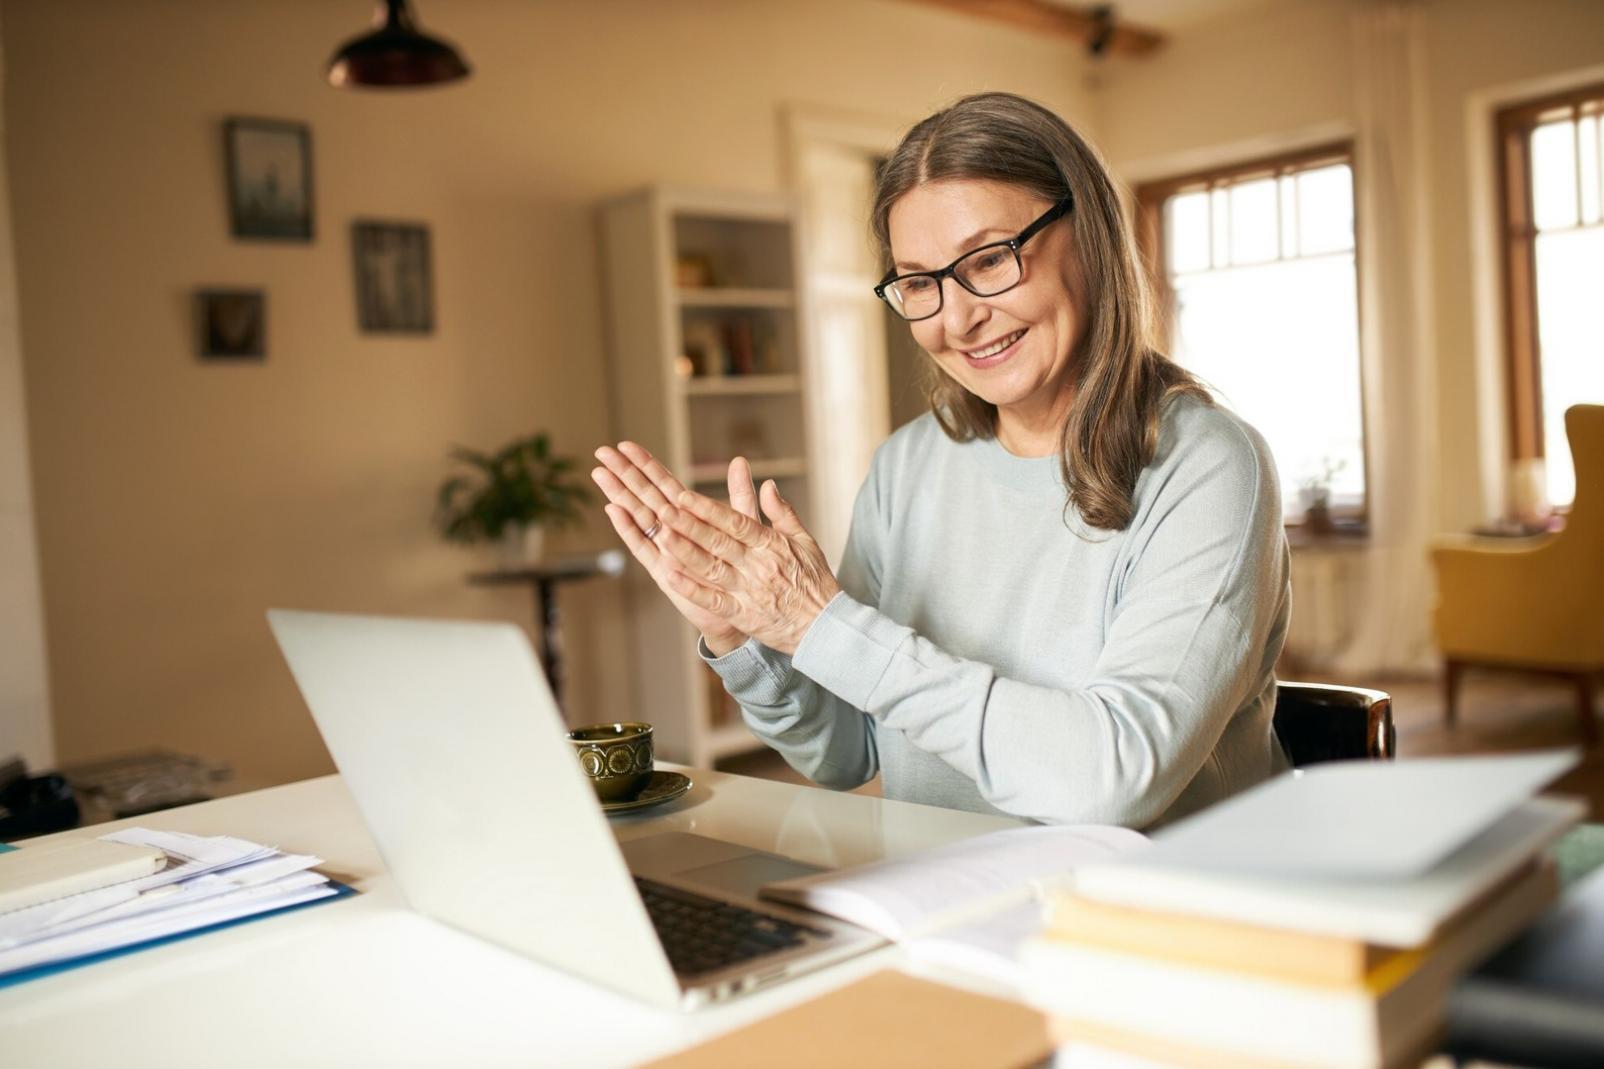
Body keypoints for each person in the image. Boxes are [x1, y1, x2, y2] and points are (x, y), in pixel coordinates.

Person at [592, 92, 1290, 828]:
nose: (957, 319)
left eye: (990, 259)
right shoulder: (906, 466)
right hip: (949, 904)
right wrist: (740, 632)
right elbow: (844, 749)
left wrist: (818, 624)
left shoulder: (1209, 466)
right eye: (921, 283)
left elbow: (1109, 780)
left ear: (1088, 233)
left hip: (1148, 922)